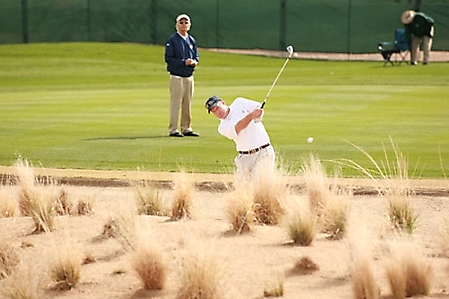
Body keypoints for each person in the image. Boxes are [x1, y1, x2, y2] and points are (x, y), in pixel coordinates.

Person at [205, 95, 275, 180]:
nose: (217, 113)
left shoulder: (239, 102)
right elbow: (238, 128)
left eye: (217, 108)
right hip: (244, 158)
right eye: (214, 111)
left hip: (263, 151)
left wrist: (258, 115)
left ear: (223, 103)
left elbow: (258, 107)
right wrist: (251, 116)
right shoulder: (222, 127)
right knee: (242, 188)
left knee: (259, 184)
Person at [164, 14, 200, 137]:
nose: (183, 25)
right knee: (176, 103)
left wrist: (194, 62)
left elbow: (196, 55)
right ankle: (173, 129)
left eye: (186, 23)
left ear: (189, 25)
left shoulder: (191, 40)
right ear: (177, 25)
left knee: (187, 103)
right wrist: (183, 62)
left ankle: (186, 127)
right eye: (181, 23)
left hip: (189, 76)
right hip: (177, 76)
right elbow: (168, 58)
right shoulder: (173, 40)